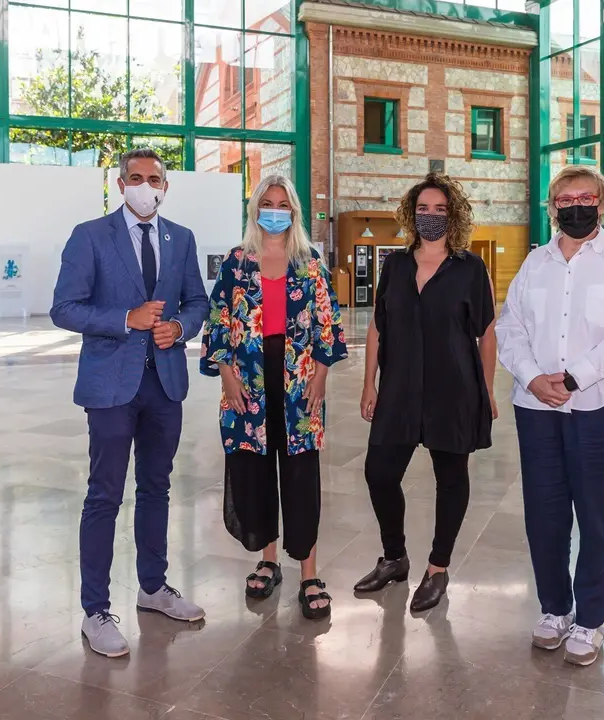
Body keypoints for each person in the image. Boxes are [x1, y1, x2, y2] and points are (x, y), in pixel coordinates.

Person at [50, 148, 209, 658]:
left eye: (154, 179)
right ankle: (95, 610)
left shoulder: (181, 238)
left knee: (157, 488)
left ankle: (153, 587)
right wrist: (126, 319)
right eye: (136, 178)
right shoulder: (90, 236)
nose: (146, 187)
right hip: (111, 388)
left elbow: (198, 301)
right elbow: (64, 308)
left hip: (164, 384)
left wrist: (179, 327)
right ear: (120, 185)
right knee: (104, 494)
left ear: (166, 186)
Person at [496, 165, 604, 667]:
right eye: (565, 200)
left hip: (600, 409)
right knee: (544, 515)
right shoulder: (535, 263)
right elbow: (510, 327)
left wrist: (572, 378)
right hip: (537, 410)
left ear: (602, 204)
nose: (575, 207)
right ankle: (555, 609)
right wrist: (531, 377)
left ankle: (591, 619)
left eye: (586, 198)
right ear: (552, 208)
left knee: (599, 517)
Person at [200, 175, 348, 621]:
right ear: (255, 209)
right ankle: (268, 560)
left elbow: (328, 323)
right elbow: (218, 321)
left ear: (294, 211)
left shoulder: (310, 262)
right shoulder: (237, 262)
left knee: (301, 477)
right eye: (268, 202)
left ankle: (309, 574)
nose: (276, 210)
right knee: (257, 472)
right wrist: (226, 376)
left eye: (284, 204)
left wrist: (321, 376)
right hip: (248, 381)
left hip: (299, 381)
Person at [356, 173, 497, 614]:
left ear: (452, 215)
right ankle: (394, 557)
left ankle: (438, 568)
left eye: (439, 209)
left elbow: (487, 334)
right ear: (411, 214)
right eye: (423, 209)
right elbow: (377, 326)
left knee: (450, 479)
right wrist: (369, 382)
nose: (430, 216)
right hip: (399, 387)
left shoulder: (470, 268)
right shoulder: (395, 266)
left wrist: (487, 390)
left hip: (453, 388)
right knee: (379, 472)